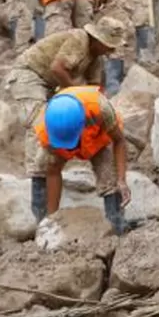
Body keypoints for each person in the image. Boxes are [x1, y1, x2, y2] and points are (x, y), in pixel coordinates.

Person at [2, 18, 127, 219]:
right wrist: (75, 97)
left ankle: (114, 212)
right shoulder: (79, 39)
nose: (111, 51)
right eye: (108, 45)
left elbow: (93, 92)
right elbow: (57, 69)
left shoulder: (95, 60)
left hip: (52, 86)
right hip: (30, 76)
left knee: (92, 135)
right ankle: (42, 213)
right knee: (41, 126)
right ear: (97, 38)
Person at [32, 87, 132, 234]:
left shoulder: (100, 109)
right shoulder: (45, 128)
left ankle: (117, 228)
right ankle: (42, 223)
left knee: (109, 177)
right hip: (59, 142)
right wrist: (52, 219)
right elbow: (53, 172)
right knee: (43, 165)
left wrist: (122, 180)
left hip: (98, 140)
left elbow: (119, 141)